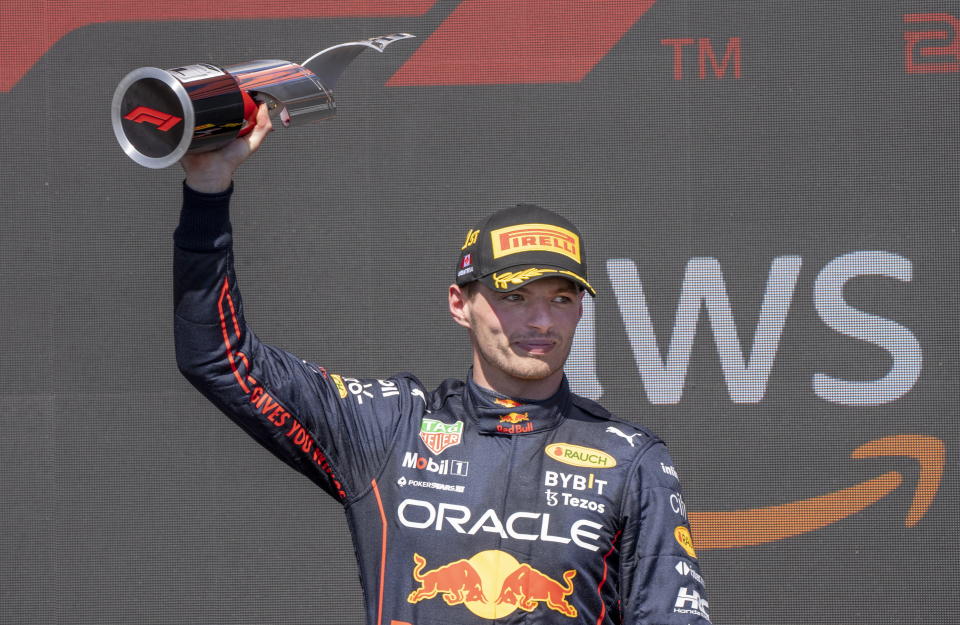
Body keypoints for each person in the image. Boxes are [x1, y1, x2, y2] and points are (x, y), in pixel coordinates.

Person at [174, 104, 711, 625]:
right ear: (460, 304)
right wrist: (207, 190)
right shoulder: (391, 428)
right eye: (516, 297)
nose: (542, 321)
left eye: (563, 299)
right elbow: (221, 358)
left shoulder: (630, 458)